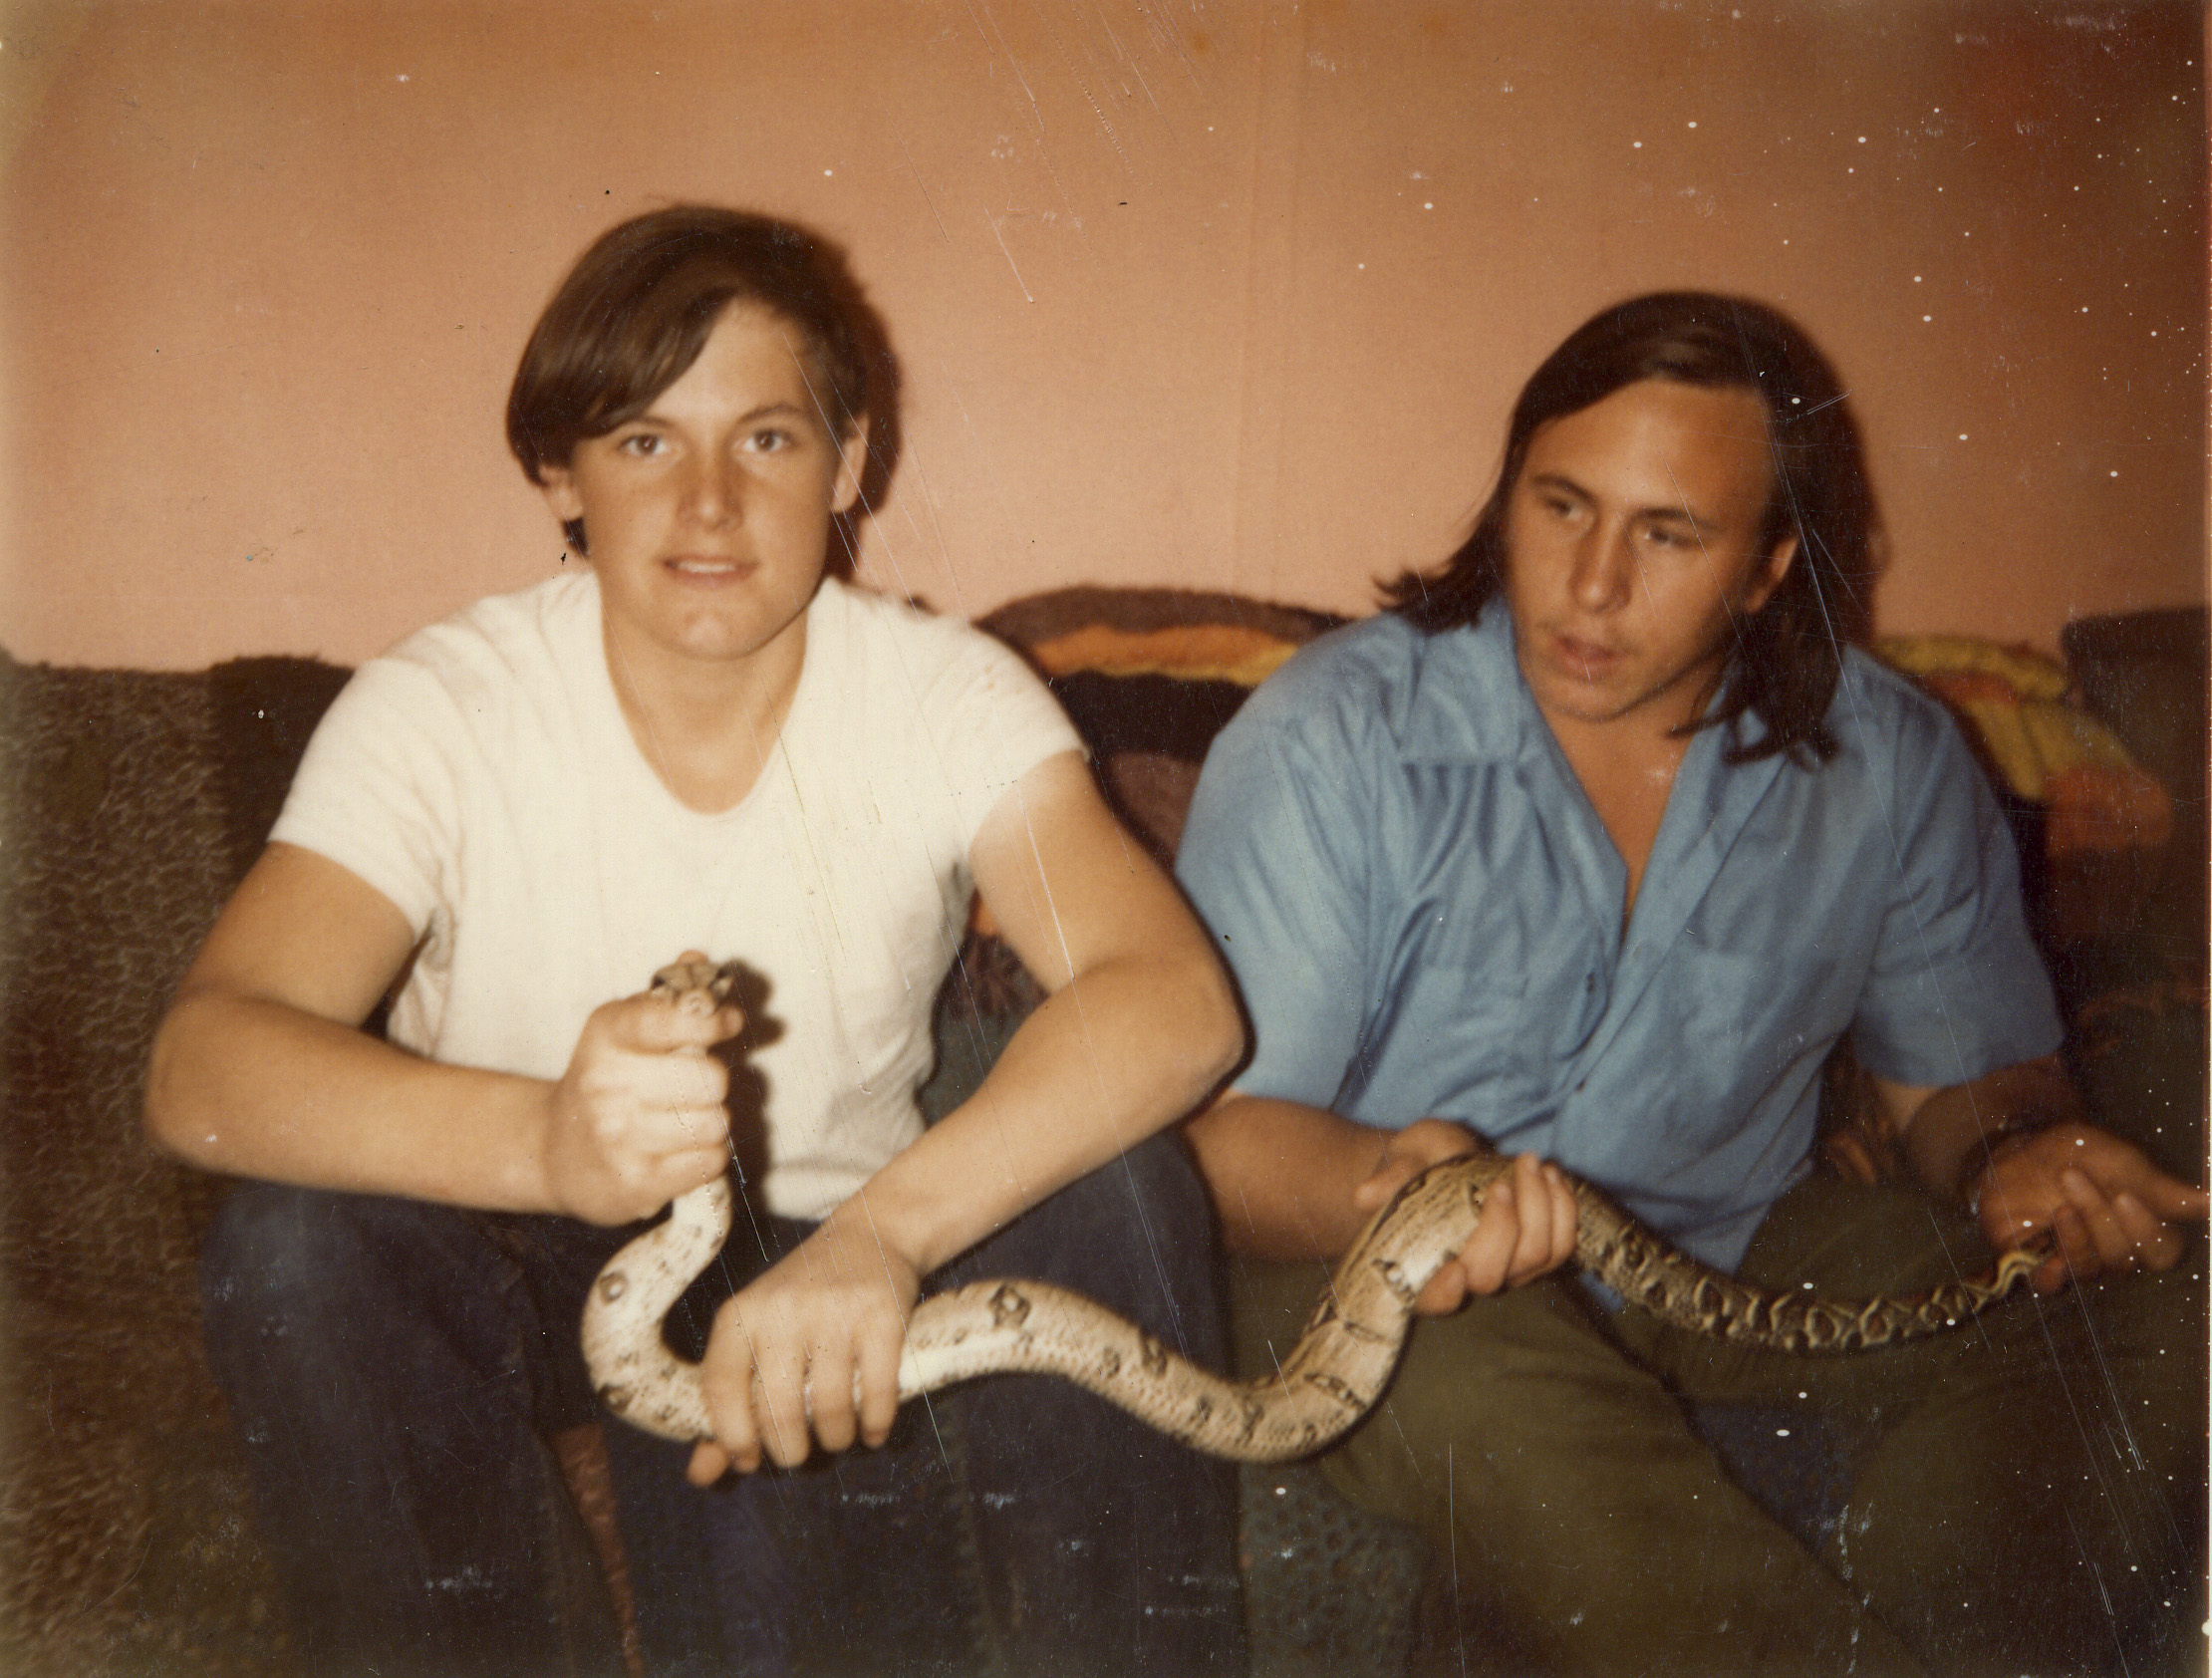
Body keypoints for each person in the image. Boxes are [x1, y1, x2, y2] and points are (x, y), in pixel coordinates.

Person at [146, 205, 1246, 1677]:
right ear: (561, 475)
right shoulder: (441, 705)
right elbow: (204, 1067)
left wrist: (884, 1238)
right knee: (293, 1241)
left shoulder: (944, 697)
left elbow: (1173, 998)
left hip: (813, 1253)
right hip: (503, 1241)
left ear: (851, 463)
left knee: (1123, 1182)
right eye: (646, 441)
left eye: (770, 441)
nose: (711, 505)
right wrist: (550, 1141)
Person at [1173, 292, 2207, 1676]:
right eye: (1560, 508)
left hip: (1721, 1257)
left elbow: (1964, 1087)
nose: (1589, 587)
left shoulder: (1890, 765)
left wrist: (2020, 1156)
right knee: (1484, 1381)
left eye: (1667, 536)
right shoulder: (1331, 735)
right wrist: (1389, 1188)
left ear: (1771, 565)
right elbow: (1220, 1140)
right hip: (1372, 1281)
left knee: (2142, 1295)